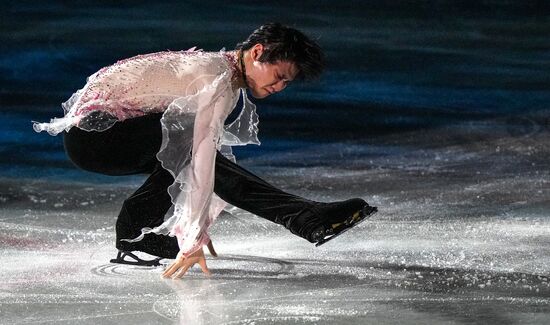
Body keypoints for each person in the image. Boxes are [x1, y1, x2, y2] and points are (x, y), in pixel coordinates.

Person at [33, 23, 377, 279]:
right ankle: (303, 216)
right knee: (191, 145)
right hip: (99, 139)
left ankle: (138, 233)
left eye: (287, 82)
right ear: (257, 52)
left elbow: (202, 162)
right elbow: (200, 164)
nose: (279, 87)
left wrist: (196, 223)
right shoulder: (216, 79)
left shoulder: (220, 72)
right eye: (279, 75)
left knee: (189, 148)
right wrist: (192, 239)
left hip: (103, 138)